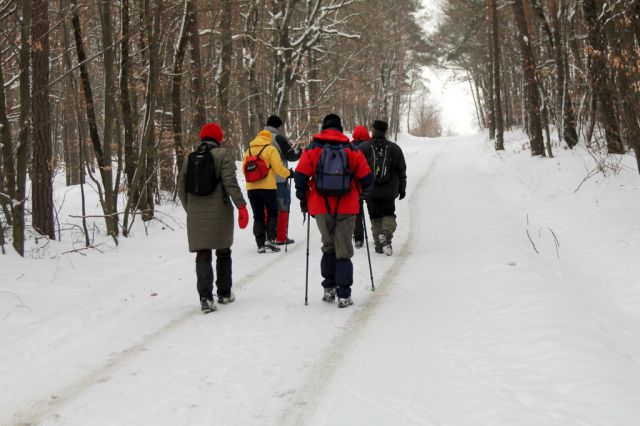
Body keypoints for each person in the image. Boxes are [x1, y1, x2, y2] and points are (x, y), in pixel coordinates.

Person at [294, 114, 373, 308]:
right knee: (343, 251)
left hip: (320, 207)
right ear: (340, 128)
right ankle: (344, 294)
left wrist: (304, 199)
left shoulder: (312, 149)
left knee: (328, 246)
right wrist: (361, 194)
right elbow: (367, 179)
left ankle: (328, 288)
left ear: (323, 128)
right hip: (346, 206)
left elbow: (300, 177)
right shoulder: (351, 149)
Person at [178, 122, 249, 313]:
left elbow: (181, 187)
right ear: (218, 138)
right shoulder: (223, 155)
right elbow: (230, 183)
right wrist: (241, 206)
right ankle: (224, 293)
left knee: (203, 253)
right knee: (223, 250)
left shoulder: (189, 158)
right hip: (220, 212)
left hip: (196, 213)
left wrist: (190, 209)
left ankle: (205, 298)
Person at [359, 119, 407, 256]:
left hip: (370, 190)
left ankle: (379, 246)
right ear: (385, 131)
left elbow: (355, 170)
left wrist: (357, 189)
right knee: (388, 213)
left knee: (374, 216)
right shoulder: (394, 148)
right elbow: (402, 170)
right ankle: (386, 234)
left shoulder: (363, 148)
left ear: (373, 130)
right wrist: (402, 188)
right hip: (389, 190)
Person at [242, 129, 292, 253]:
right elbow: (278, 167)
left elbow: (244, 170)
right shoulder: (270, 149)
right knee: (272, 212)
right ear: (268, 138)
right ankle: (270, 239)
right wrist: (288, 174)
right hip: (268, 187)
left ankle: (260, 244)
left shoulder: (248, 150)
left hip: (252, 188)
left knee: (258, 215)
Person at [264, 115, 302, 245]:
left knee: (267, 209)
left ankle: (267, 237)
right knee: (283, 207)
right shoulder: (278, 137)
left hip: (262, 180)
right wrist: (299, 151)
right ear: (278, 126)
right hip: (279, 179)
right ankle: (281, 237)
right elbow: (290, 156)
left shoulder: (260, 137)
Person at [350, 125, 371, 249]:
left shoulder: (350, 146)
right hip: (367, 180)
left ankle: (358, 237)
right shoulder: (370, 145)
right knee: (372, 207)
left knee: (357, 211)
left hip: (355, 183)